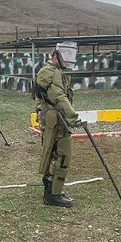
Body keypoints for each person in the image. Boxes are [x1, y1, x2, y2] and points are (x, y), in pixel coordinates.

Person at [33, 41, 81, 208]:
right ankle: (53, 194)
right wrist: (73, 117)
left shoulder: (54, 72)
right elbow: (59, 97)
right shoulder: (50, 73)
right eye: (65, 56)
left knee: (54, 153)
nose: (68, 59)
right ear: (55, 57)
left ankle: (51, 189)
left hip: (56, 118)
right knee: (62, 154)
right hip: (56, 119)